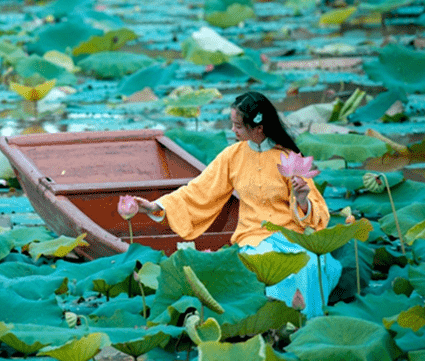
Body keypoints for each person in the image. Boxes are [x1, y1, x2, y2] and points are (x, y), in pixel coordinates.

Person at [135, 91, 340, 318]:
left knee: (310, 266)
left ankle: (305, 327)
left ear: (258, 127)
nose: (233, 130)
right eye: (232, 124)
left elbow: (317, 209)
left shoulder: (288, 156)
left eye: (238, 126)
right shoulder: (232, 156)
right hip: (252, 237)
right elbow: (199, 190)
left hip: (291, 235)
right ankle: (274, 325)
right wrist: (157, 207)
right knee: (264, 265)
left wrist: (302, 200)